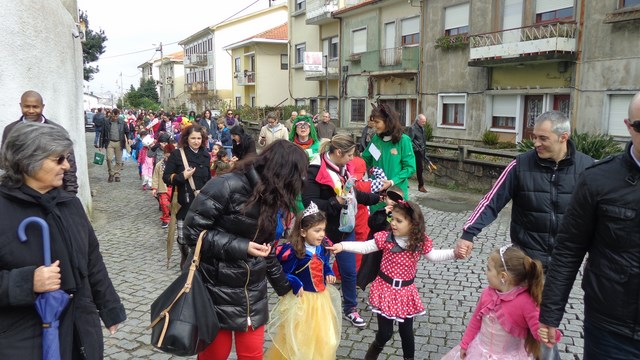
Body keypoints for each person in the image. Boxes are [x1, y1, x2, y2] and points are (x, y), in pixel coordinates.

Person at [0, 122, 126, 359]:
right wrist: (27, 282)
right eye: (58, 159)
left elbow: (92, 258)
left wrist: (109, 307)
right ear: (29, 160)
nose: (67, 166)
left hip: (79, 332)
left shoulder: (69, 202)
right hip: (24, 340)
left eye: (67, 158)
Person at [183, 140, 309, 360]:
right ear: (282, 171)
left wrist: (286, 289)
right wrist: (242, 247)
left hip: (252, 294)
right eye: (298, 174)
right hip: (215, 290)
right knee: (214, 356)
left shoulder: (272, 195)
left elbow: (266, 250)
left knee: (252, 355)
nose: (301, 180)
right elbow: (192, 233)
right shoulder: (226, 185)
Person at [538, 93, 640, 359]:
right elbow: (569, 248)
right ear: (629, 126)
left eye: (542, 137)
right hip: (612, 329)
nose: (535, 142)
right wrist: (550, 313)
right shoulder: (598, 178)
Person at [454, 110, 595, 269]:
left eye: (543, 138)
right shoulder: (520, 166)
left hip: (564, 266)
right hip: (526, 262)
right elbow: (491, 202)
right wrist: (468, 234)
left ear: (563, 137)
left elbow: (599, 215)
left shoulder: (588, 169)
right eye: (534, 137)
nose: (536, 143)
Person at [327, 200, 458, 360]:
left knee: (407, 333)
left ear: (413, 224)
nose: (393, 223)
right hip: (385, 290)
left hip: (406, 293)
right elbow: (366, 247)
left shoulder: (419, 242)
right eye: (392, 219)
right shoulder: (386, 238)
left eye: (399, 220)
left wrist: (454, 253)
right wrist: (343, 245)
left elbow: (434, 256)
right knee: (385, 334)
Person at [302, 134, 382, 327]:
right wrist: (335, 202)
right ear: (338, 152)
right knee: (318, 272)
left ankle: (350, 309)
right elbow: (309, 202)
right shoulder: (315, 170)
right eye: (349, 155)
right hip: (322, 231)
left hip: (345, 227)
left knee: (348, 272)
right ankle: (315, 311)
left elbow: (354, 195)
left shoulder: (344, 168)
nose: (352, 159)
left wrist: (377, 198)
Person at [442, 245, 561, 360]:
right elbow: (475, 320)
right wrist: (465, 344)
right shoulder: (487, 293)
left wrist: (549, 335)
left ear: (503, 276)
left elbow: (537, 330)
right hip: (479, 352)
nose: (486, 272)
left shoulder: (526, 303)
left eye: (489, 269)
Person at [265, 203, 342, 360]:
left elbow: (324, 265)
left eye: (323, 230)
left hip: (321, 300)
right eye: (317, 230)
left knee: (323, 336)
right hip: (302, 301)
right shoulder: (295, 252)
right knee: (301, 339)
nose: (321, 235)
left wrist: (328, 272)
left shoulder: (321, 248)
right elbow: (284, 273)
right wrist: (295, 282)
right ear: (303, 232)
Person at [1, 90, 79, 194]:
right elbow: (5, 160)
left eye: (35, 107)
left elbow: (68, 162)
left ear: (42, 107)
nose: (31, 110)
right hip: (19, 190)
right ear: (20, 106)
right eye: (27, 106)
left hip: (51, 191)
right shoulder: (10, 130)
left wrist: (71, 191)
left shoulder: (56, 130)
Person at [162, 124, 211, 269]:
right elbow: (166, 178)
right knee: (183, 238)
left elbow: (208, 179)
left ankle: (196, 260)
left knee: (201, 236)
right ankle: (184, 254)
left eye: (199, 138)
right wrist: (182, 176)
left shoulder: (205, 155)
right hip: (183, 202)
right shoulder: (178, 154)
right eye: (193, 138)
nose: (196, 141)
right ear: (186, 139)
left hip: (201, 202)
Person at [361, 103, 416, 211]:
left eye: (377, 122)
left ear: (388, 121)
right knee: (376, 223)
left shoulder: (403, 140)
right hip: (377, 194)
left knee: (394, 224)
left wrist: (391, 182)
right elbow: (365, 159)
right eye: (373, 122)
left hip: (395, 194)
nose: (374, 125)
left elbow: (410, 168)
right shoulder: (376, 139)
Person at [99, 108, 131, 183]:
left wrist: (129, 138)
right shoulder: (106, 122)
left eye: (116, 116)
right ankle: (111, 173)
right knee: (109, 158)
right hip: (109, 142)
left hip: (119, 142)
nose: (115, 118)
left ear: (118, 115)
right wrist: (100, 145)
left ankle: (117, 174)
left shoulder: (122, 122)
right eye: (113, 116)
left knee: (119, 160)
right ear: (111, 114)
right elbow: (102, 134)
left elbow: (127, 131)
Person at [407, 114, 434, 193]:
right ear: (418, 121)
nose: (424, 123)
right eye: (423, 121)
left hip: (421, 151)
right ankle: (420, 185)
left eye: (425, 122)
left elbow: (422, 140)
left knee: (420, 169)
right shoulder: (412, 128)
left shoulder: (422, 128)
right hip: (415, 152)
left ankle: (420, 186)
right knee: (414, 168)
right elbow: (409, 141)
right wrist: (416, 148)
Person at [152, 143, 175, 229]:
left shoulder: (177, 164)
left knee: (174, 204)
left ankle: (174, 217)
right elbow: (155, 176)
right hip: (163, 188)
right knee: (164, 204)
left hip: (174, 188)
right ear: (164, 154)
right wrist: (154, 188)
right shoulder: (159, 165)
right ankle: (166, 219)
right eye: (167, 155)